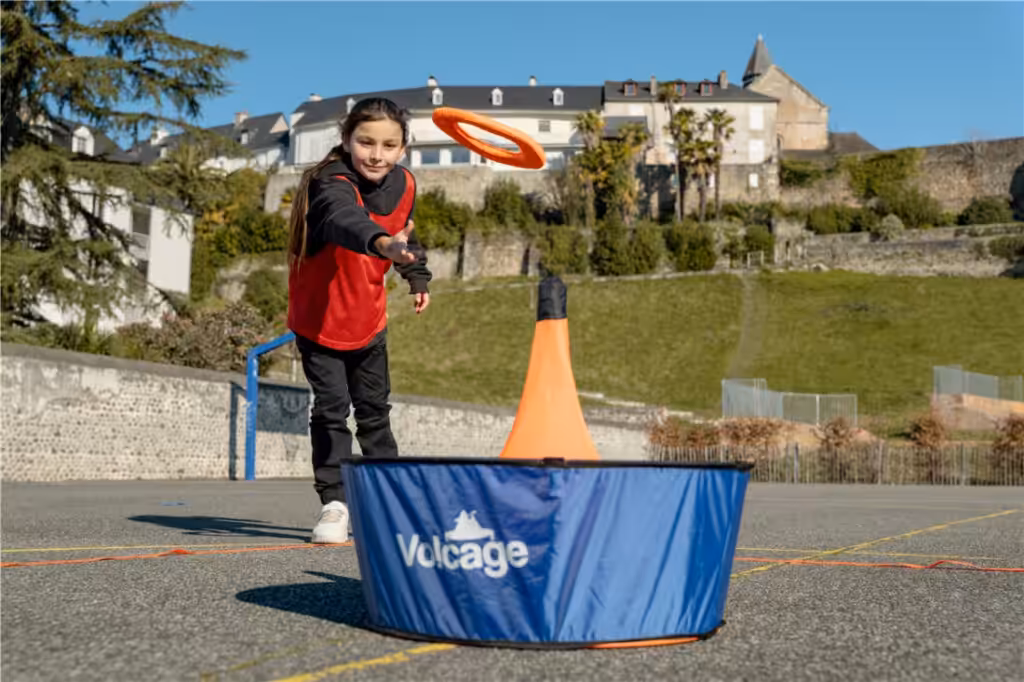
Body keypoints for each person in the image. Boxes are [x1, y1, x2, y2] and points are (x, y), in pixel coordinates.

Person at [286, 97, 431, 544]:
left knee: (375, 414)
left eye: (388, 145)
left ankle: (387, 500)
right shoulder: (329, 182)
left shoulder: (404, 183)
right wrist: (382, 244)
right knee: (331, 409)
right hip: (320, 321)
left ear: (403, 149)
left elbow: (406, 232)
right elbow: (343, 218)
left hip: (368, 320)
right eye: (365, 142)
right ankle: (335, 504)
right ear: (347, 140)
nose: (376, 154)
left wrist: (415, 271)